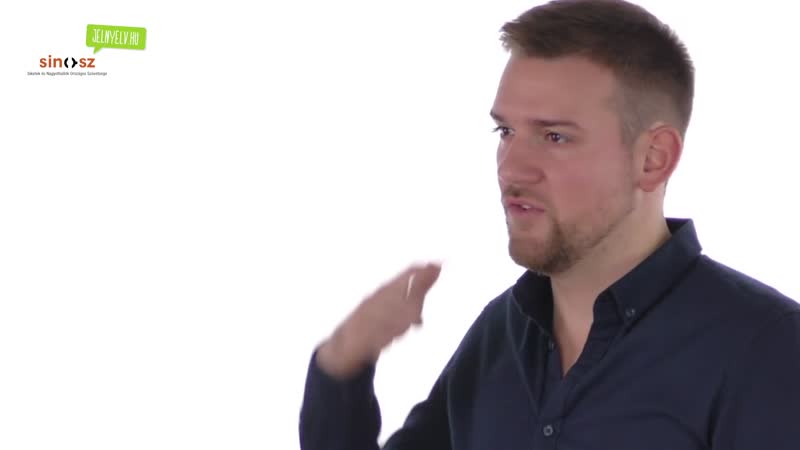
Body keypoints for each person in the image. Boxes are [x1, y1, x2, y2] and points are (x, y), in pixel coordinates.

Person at [298, 0, 800, 448]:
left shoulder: (766, 350)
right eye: (505, 131)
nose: (511, 169)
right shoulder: (500, 336)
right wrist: (342, 364)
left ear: (653, 158)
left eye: (555, 137)